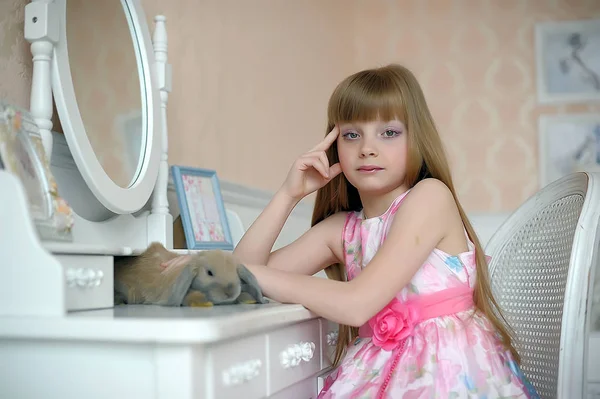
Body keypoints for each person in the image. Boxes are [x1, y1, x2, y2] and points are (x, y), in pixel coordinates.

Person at [163, 64, 539, 398]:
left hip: (448, 370)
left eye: (389, 132)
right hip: (380, 366)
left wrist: (257, 275)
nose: (368, 149)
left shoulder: (430, 198)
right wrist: (287, 195)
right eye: (352, 135)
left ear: (417, 140)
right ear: (334, 146)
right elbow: (239, 279)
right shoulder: (344, 230)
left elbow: (358, 302)